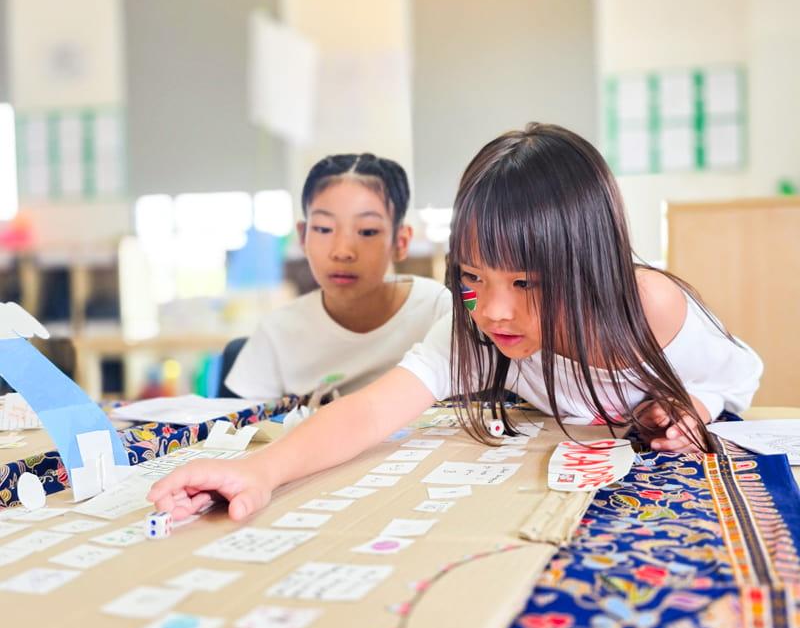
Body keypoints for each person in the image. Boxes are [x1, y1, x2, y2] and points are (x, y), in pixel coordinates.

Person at [149, 123, 763, 522]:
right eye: (473, 277)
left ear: (588, 264)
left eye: (527, 283)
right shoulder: (474, 327)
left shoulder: (648, 304)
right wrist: (258, 470)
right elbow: (371, 410)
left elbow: (742, 376)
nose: (494, 309)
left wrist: (697, 407)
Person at [224, 153, 450, 401]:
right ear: (302, 237)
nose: (342, 252)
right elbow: (237, 433)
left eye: (367, 231)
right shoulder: (277, 333)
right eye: (323, 229)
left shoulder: (438, 310)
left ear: (400, 241)